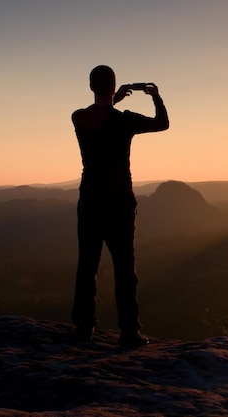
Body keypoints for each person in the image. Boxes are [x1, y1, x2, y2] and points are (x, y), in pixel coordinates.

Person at [71, 65, 169, 346]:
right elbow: (162, 123)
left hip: (89, 200)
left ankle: (84, 327)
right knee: (125, 267)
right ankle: (129, 331)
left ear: (91, 87)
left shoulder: (78, 117)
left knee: (87, 264)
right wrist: (155, 97)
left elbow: (99, 114)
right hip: (119, 203)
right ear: (114, 87)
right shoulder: (125, 121)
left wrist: (114, 99)